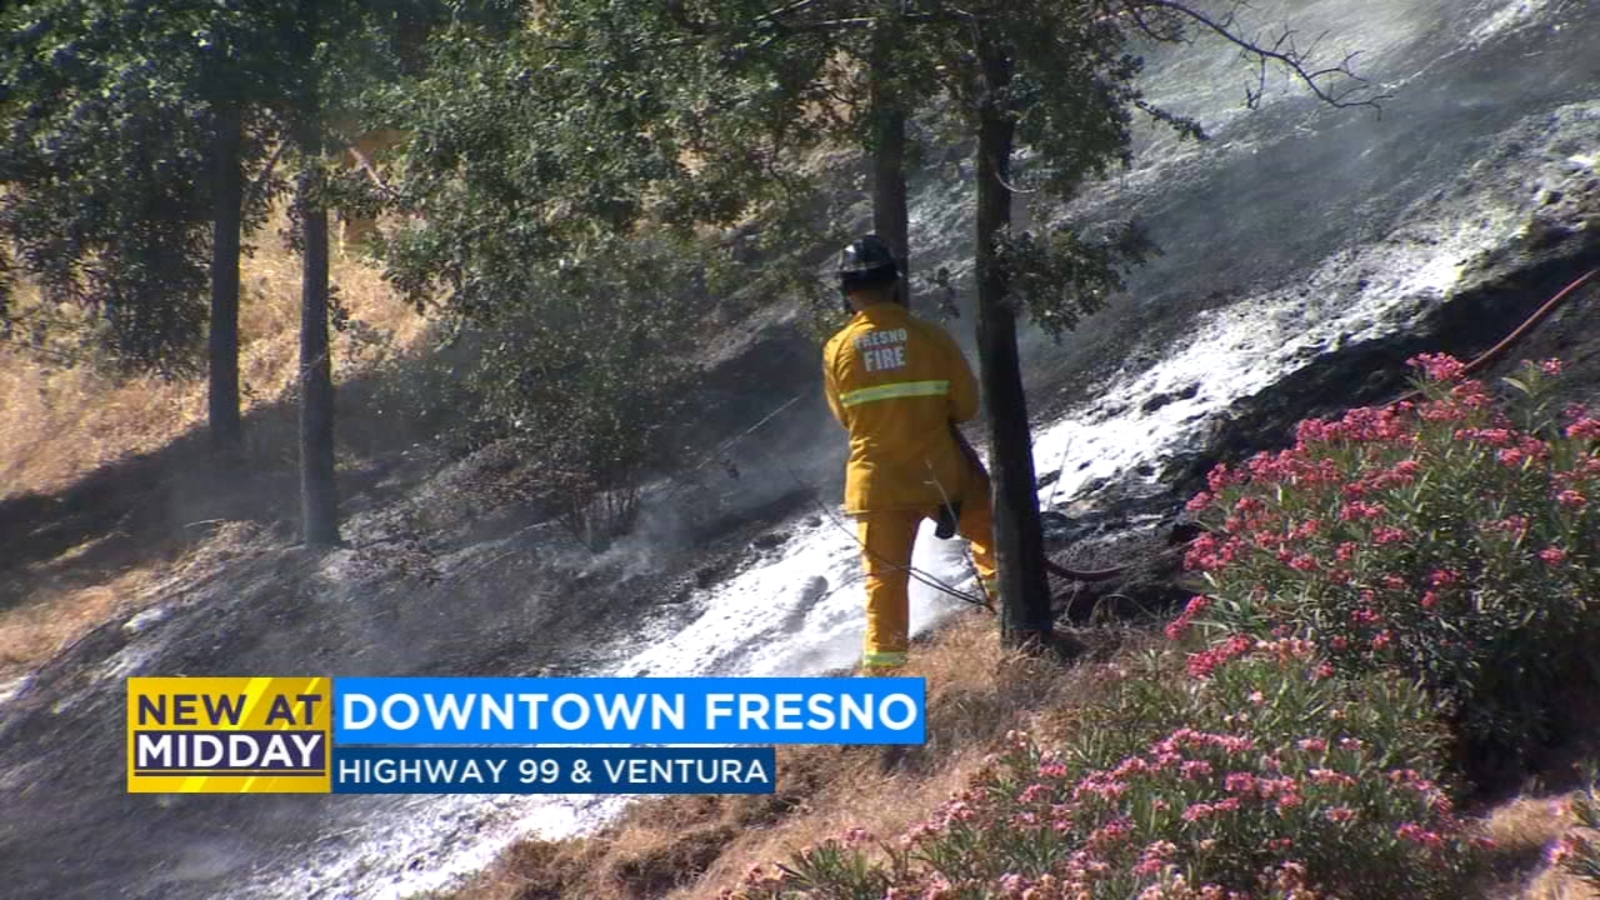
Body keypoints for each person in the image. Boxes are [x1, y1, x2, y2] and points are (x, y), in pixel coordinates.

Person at [821, 234, 1000, 673]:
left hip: (877, 484)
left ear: (847, 291)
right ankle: (1013, 624)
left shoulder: (838, 348)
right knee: (994, 540)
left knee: (884, 587)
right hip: (943, 475)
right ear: (894, 284)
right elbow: (967, 407)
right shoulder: (930, 338)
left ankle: (880, 690)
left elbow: (845, 417)